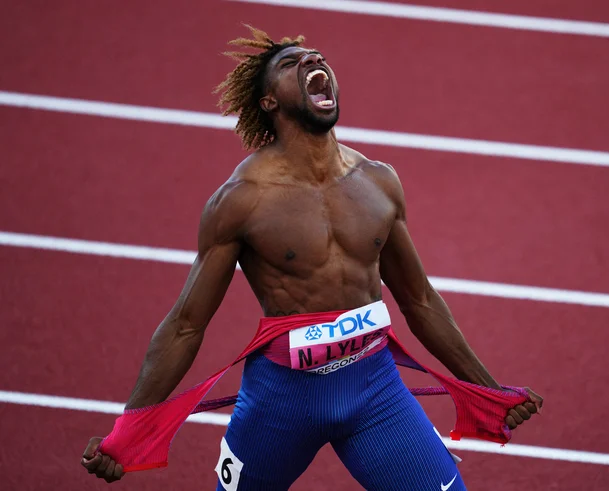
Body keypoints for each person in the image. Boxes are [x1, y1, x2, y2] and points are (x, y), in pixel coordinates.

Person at [81, 26, 542, 490]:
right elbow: (186, 324)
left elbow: (419, 300)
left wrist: (486, 387)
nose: (310, 59)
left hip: (374, 389)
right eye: (289, 63)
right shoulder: (242, 201)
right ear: (269, 103)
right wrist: (129, 429)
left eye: (315, 57)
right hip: (282, 402)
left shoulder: (378, 182)